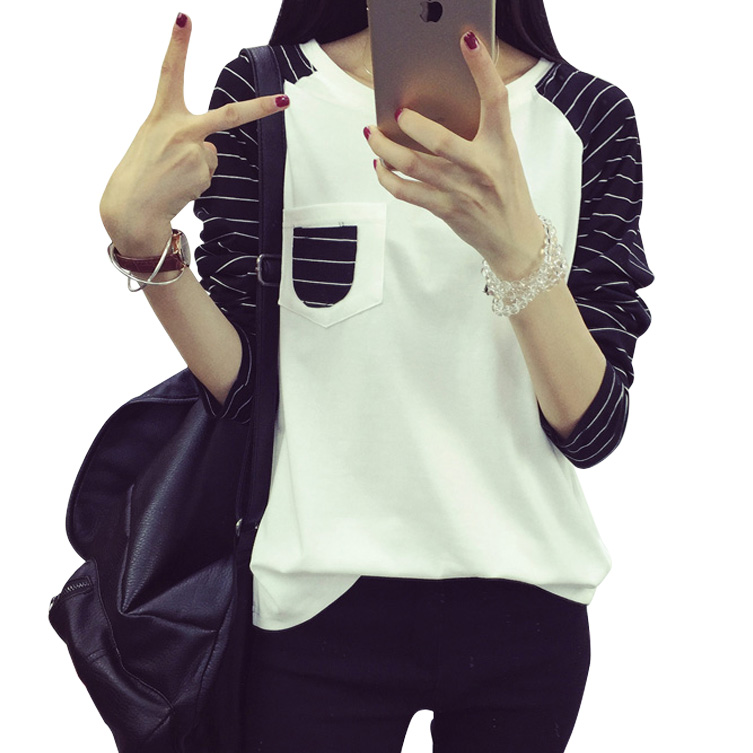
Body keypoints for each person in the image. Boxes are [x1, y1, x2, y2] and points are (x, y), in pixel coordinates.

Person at [100, 1, 653, 750]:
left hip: (526, 602)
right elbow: (249, 393)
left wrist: (517, 249)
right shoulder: (270, 95)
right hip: (313, 603)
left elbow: (593, 428)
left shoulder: (587, 116)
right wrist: (144, 246)